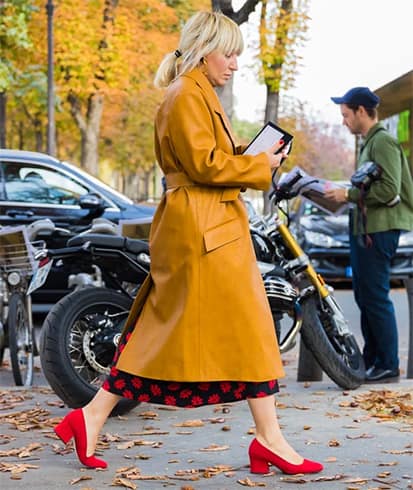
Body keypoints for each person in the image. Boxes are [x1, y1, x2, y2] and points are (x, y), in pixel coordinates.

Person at [53, 11, 323, 476]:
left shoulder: (195, 94)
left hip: (206, 227)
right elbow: (205, 167)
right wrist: (258, 167)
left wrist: (254, 155)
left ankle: (92, 417)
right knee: (239, 327)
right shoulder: (185, 96)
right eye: (231, 52)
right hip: (202, 229)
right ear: (205, 48)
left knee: (191, 329)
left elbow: (210, 160)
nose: (236, 64)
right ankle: (268, 439)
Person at [325, 86, 413, 382]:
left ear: (362, 111)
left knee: (375, 297)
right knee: (364, 296)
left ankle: (387, 365)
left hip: (380, 229)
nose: (344, 121)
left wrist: (347, 195)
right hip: (366, 228)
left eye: (346, 115)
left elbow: (390, 188)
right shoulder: (368, 143)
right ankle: (374, 360)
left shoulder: (383, 142)